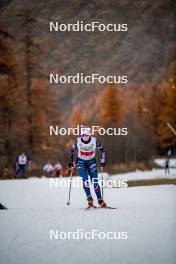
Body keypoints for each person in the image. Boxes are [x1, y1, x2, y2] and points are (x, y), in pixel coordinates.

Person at [68, 127, 107, 208]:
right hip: (80, 162)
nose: (84, 136)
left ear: (90, 135)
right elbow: (72, 151)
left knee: (95, 181)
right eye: (83, 135)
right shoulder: (78, 141)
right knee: (85, 179)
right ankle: (89, 198)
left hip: (91, 162)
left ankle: (100, 200)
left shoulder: (94, 141)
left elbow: (102, 150)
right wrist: (71, 162)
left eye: (86, 135)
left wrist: (102, 161)